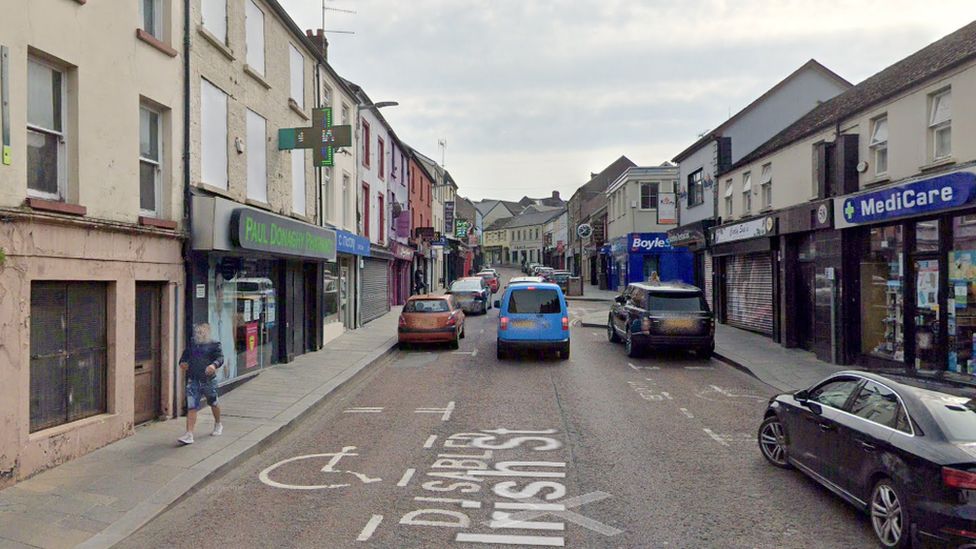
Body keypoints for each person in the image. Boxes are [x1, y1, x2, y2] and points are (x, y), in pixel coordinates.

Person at [177, 323, 224, 445]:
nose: (198, 335)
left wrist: (213, 365)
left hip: (208, 380)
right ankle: (189, 434)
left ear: (207, 333)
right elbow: (183, 358)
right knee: (192, 406)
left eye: (201, 332)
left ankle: (218, 424)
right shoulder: (192, 345)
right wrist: (183, 363)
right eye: (197, 332)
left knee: (213, 402)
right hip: (193, 379)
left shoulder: (214, 344)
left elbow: (220, 358)